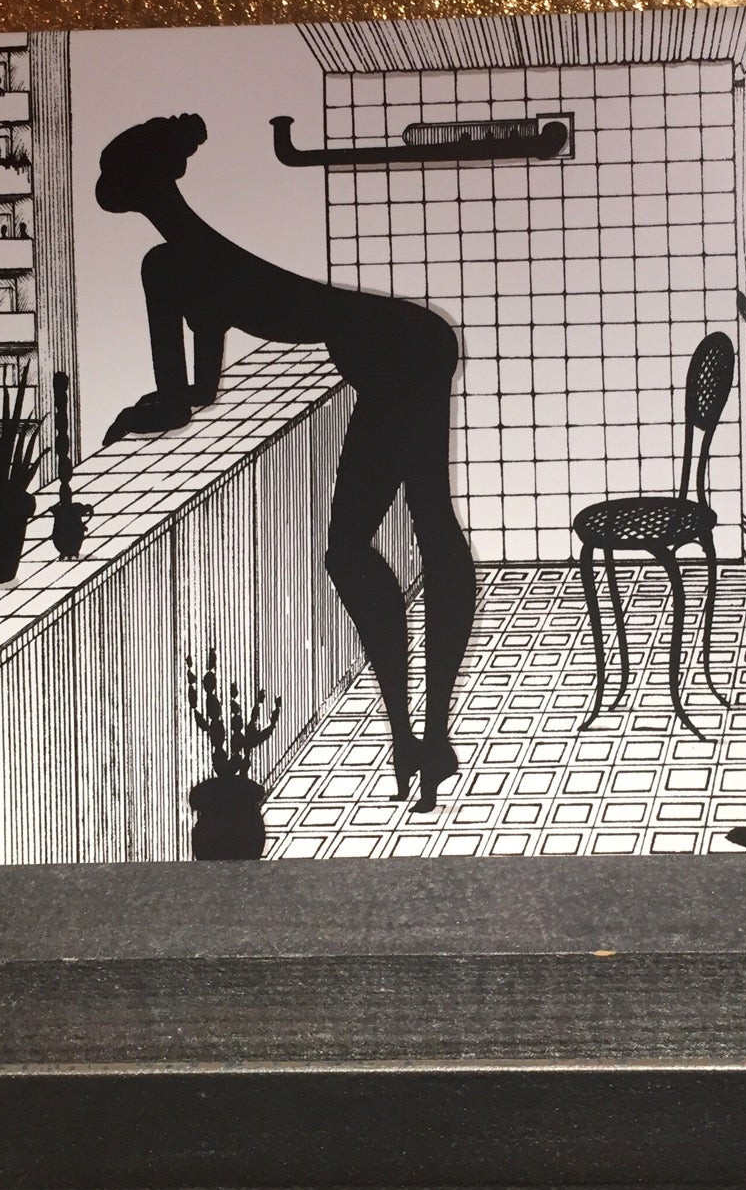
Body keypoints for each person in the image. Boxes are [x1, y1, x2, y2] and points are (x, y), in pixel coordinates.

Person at [96, 113, 475, 811]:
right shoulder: (195, 256)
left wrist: (133, 418)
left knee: (367, 542)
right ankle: (425, 739)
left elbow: (181, 400)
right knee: (419, 524)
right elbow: (200, 390)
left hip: (397, 352)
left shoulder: (172, 264)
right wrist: (163, 403)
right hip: (403, 344)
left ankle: (415, 735)